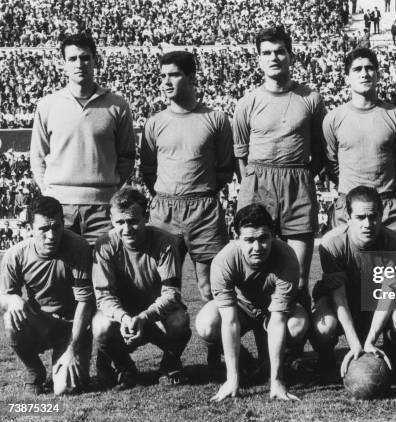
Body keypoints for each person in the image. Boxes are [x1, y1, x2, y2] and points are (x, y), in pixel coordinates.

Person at [233, 26, 326, 308]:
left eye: (280, 51)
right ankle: (266, 346)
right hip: (258, 183)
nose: (274, 57)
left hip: (297, 184)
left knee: (297, 279)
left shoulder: (310, 98)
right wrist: (250, 183)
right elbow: (241, 154)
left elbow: (321, 151)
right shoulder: (247, 102)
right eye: (266, 53)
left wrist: (304, 178)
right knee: (256, 275)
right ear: (259, 59)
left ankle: (298, 346)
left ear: (290, 55)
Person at [140, 51, 232, 303]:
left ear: (191, 78)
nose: (165, 82)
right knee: (162, 288)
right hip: (164, 209)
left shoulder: (216, 119)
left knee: (211, 286)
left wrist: (200, 191)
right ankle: (172, 340)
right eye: (162, 76)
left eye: (174, 75)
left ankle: (218, 341)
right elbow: (148, 170)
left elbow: (225, 167)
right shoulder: (154, 123)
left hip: (204, 210)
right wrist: (168, 194)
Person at [195, 204, 310, 401]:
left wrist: (277, 381)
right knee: (206, 324)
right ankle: (244, 365)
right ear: (236, 236)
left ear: (272, 234)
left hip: (272, 310)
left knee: (297, 324)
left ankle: (282, 362)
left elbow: (278, 320)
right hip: (241, 307)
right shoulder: (224, 260)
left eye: (263, 239)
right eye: (249, 240)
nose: (257, 248)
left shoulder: (287, 257)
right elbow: (230, 321)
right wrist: (232, 380)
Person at [29, 33, 136, 246]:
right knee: (62, 274)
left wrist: (107, 189)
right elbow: (37, 156)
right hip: (59, 207)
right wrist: (50, 191)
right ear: (63, 64)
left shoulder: (117, 105)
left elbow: (127, 156)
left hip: (103, 208)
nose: (79, 64)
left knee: (102, 274)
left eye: (85, 57)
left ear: (95, 60)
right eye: (72, 59)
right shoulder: (47, 105)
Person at [311, 186, 396, 380]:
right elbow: (339, 297)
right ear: (348, 216)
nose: (367, 224)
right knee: (323, 326)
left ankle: (390, 350)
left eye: (373, 216)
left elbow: (387, 297)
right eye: (360, 217)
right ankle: (325, 358)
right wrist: (354, 344)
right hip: (344, 302)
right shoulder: (332, 243)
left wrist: (369, 342)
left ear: (382, 214)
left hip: (376, 303)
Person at [92, 188, 191, 389]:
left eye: (133, 221)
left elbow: (171, 294)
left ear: (145, 217)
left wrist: (145, 317)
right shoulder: (104, 245)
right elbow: (104, 297)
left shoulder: (166, 242)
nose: (127, 228)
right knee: (100, 326)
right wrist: (124, 318)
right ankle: (125, 368)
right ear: (112, 220)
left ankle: (169, 365)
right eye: (120, 222)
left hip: (155, 314)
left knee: (180, 320)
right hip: (124, 316)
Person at [0, 196, 94, 394]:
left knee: (65, 389)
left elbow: (84, 302)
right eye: (43, 229)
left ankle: (65, 360)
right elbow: (2, 299)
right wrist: (11, 298)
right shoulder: (15, 255)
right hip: (41, 324)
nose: (51, 236)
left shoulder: (78, 247)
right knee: (9, 318)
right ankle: (34, 371)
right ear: (29, 229)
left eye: (56, 227)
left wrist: (72, 349)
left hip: (72, 326)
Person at [323, 48, 396, 235]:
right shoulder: (333, 118)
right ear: (347, 77)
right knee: (349, 262)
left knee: (390, 263)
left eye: (369, 68)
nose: (364, 73)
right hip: (349, 206)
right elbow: (332, 163)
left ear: (378, 74)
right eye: (357, 69)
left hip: (387, 206)